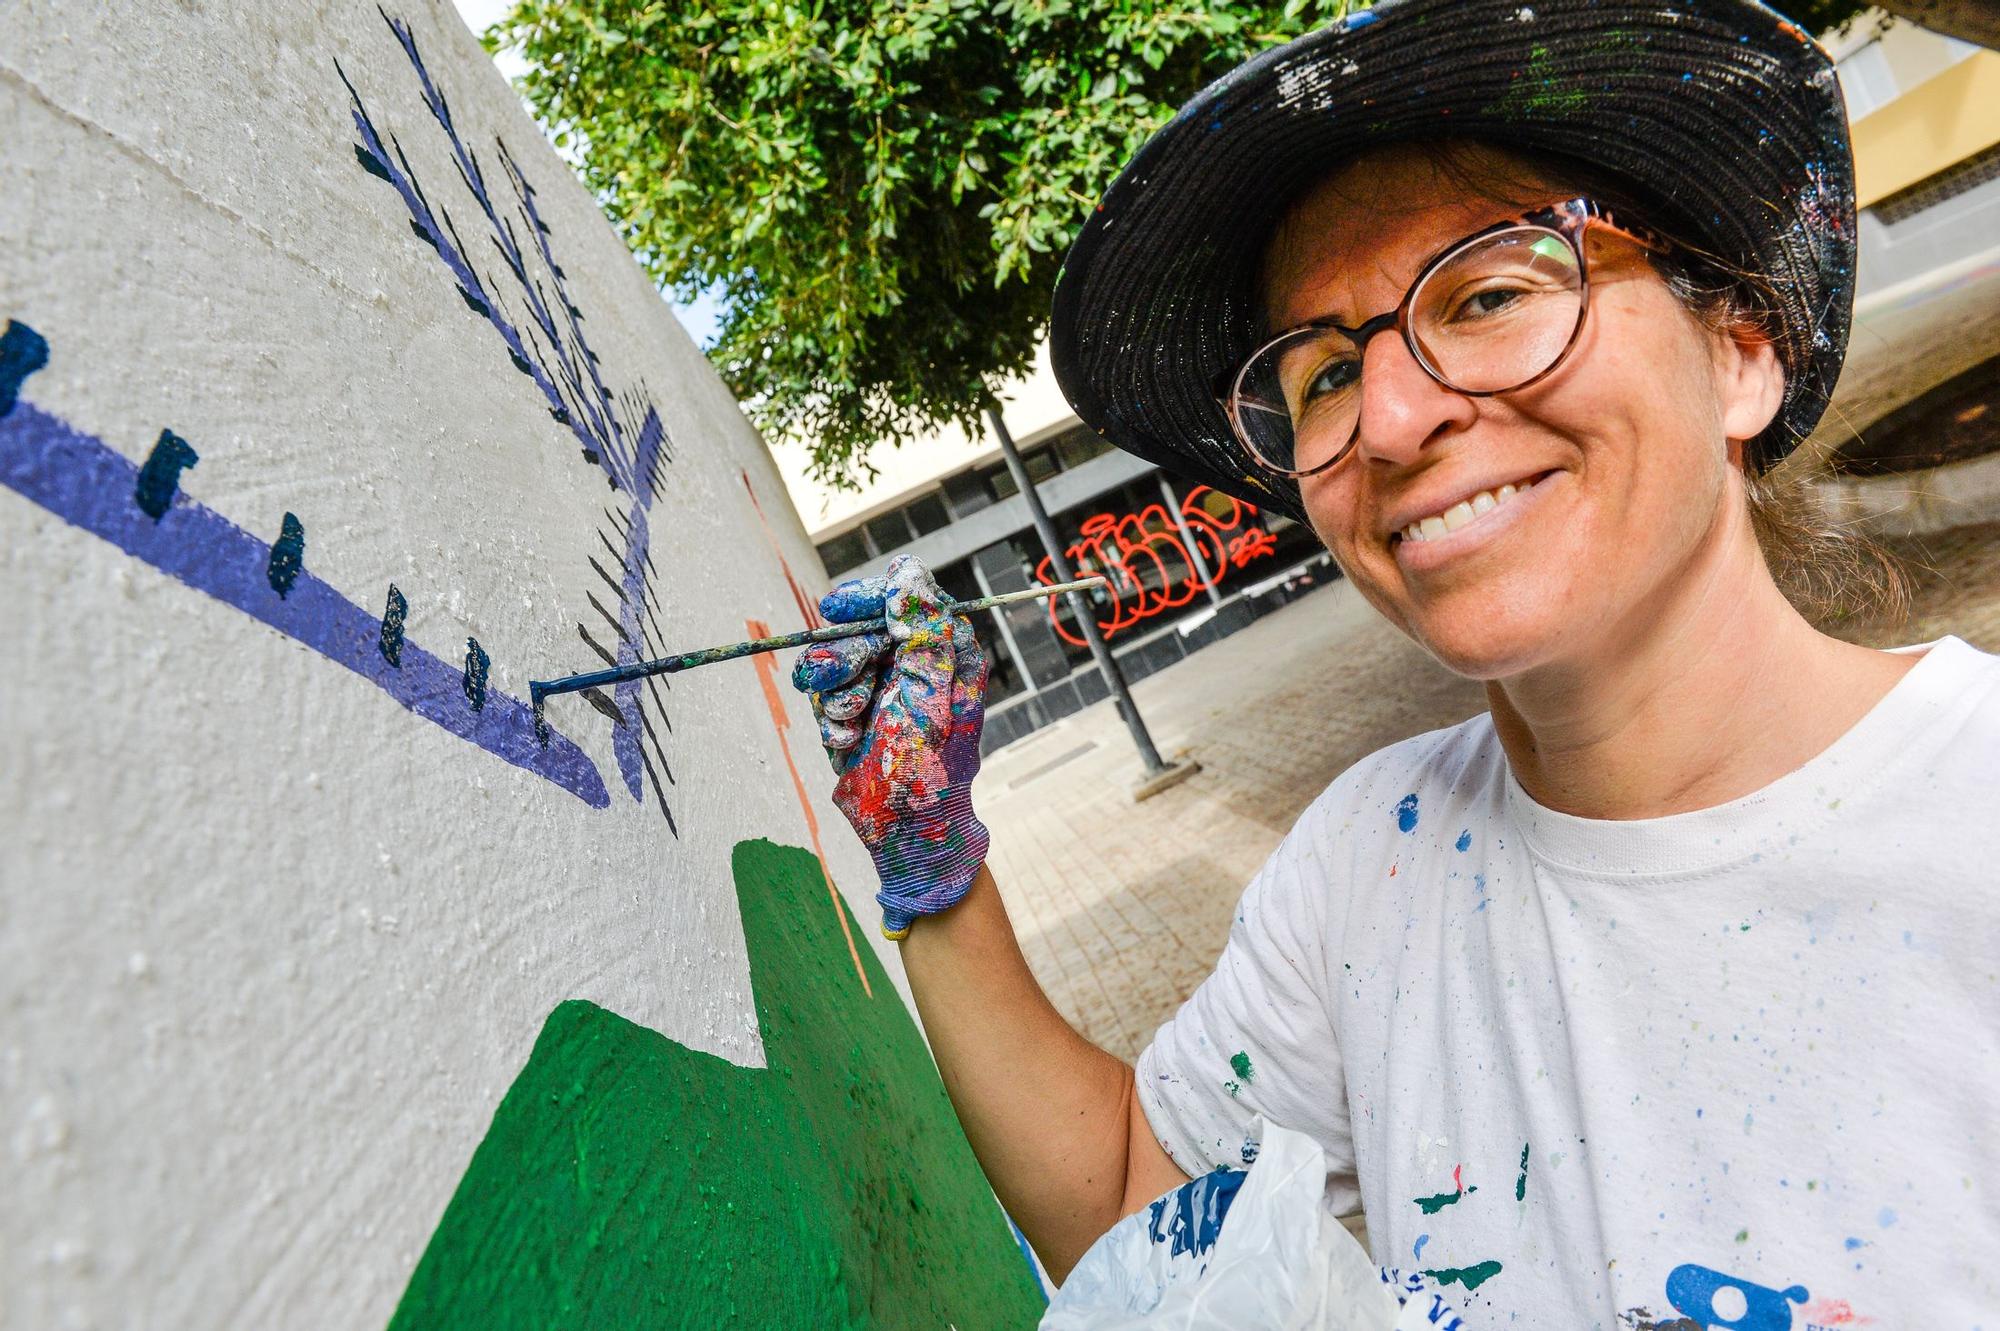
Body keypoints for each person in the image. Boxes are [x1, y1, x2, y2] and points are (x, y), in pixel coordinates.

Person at [792, 0, 2000, 1321]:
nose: (1390, 416)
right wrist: (934, 864)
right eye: (1318, 376)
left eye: (1489, 293)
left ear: (1741, 357)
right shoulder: (1366, 864)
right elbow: (1137, 1201)